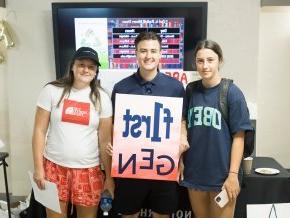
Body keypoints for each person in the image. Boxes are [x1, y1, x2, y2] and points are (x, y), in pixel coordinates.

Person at [109, 31, 189, 218]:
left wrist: (182, 141)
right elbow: (116, 126)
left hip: (163, 164)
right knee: (129, 214)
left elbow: (181, 121)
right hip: (130, 167)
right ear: (136, 54)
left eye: (153, 51)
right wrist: (115, 146)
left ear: (160, 54)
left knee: (162, 214)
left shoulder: (175, 87)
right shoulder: (121, 88)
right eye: (143, 51)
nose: (148, 56)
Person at [32, 47, 114, 218]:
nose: (86, 70)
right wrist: (39, 168)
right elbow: (39, 131)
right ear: (72, 66)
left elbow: (105, 141)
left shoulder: (102, 98)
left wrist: (109, 177)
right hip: (54, 168)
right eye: (81, 65)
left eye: (91, 67)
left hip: (89, 170)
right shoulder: (52, 90)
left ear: (96, 71)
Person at [180, 39, 252, 218]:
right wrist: (180, 158)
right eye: (200, 61)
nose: (205, 66)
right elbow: (183, 122)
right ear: (195, 63)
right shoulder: (190, 90)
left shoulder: (232, 92)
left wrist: (233, 175)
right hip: (194, 173)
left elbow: (239, 137)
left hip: (222, 176)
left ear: (219, 61)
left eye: (210, 60)